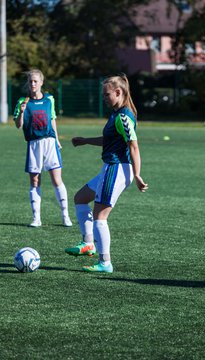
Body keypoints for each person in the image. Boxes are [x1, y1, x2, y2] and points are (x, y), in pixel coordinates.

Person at [65, 73, 148, 273]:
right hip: (110, 167)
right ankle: (88, 244)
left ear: (118, 92)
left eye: (106, 94)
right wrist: (85, 140)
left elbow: (134, 146)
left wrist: (137, 174)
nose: (104, 98)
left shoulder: (123, 117)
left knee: (100, 216)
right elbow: (108, 140)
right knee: (80, 198)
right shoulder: (115, 114)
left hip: (117, 168)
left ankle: (105, 262)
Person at [13, 69, 72, 228]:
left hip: (49, 143)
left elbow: (52, 120)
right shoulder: (22, 102)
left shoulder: (49, 99)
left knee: (56, 179)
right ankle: (36, 218)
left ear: (41, 82)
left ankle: (65, 215)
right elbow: (19, 126)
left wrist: (57, 139)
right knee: (35, 180)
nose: (33, 84)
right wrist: (21, 113)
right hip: (34, 144)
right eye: (30, 81)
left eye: (35, 81)